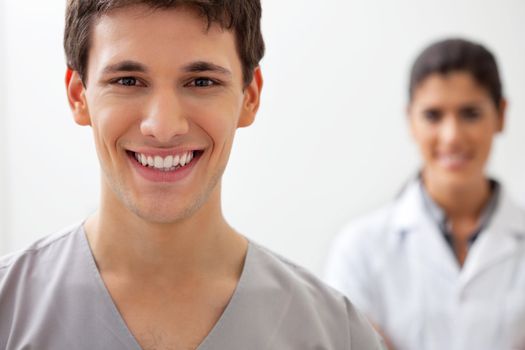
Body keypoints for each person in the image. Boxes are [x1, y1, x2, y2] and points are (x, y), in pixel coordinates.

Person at [0, 1, 385, 349]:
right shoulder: (8, 310)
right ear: (78, 97)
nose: (164, 126)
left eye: (202, 82)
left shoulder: (336, 335)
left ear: (249, 97)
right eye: (127, 81)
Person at [324, 38, 525, 350]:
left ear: (500, 115)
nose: (452, 136)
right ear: (411, 120)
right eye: (433, 115)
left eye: (470, 113)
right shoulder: (360, 249)